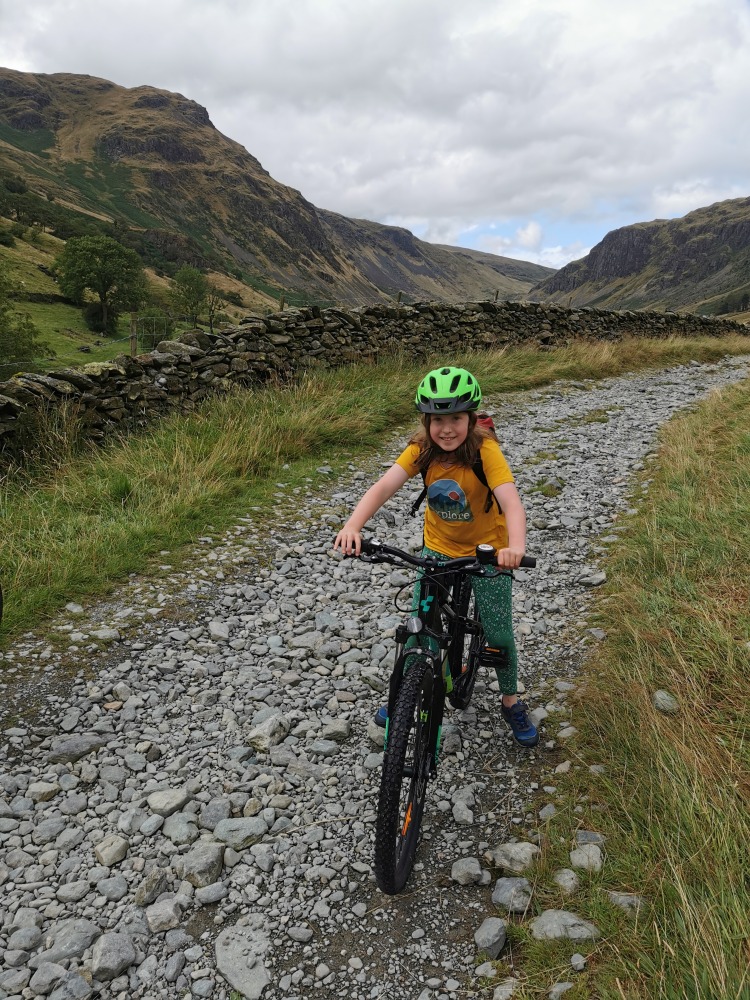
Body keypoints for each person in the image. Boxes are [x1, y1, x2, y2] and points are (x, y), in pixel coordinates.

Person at [334, 365, 538, 748]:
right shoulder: (422, 451)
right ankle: (403, 692)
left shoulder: (484, 451)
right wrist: (353, 526)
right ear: (426, 421)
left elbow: (511, 502)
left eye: (456, 418)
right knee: (419, 627)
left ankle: (510, 701)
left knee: (499, 635)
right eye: (437, 419)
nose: (447, 429)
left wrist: (516, 548)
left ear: (471, 418)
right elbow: (384, 487)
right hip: (437, 549)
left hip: (488, 553)